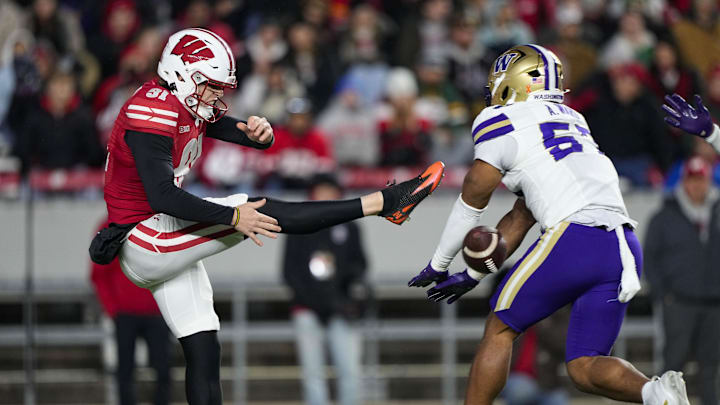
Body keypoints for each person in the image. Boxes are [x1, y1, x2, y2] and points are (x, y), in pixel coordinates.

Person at [88, 28, 445, 405]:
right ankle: (383, 203)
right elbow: (163, 196)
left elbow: (219, 125)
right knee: (255, 207)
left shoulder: (180, 102)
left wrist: (258, 134)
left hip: (159, 236)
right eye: (211, 85)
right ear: (182, 74)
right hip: (145, 239)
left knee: (204, 350)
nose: (218, 95)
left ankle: (384, 204)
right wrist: (231, 217)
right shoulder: (152, 110)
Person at [406, 44, 689, 405]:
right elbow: (522, 215)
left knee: (499, 328)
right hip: (623, 245)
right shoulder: (574, 120)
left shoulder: (500, 121)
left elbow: (472, 199)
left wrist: (440, 264)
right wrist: (473, 274)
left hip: (575, 237)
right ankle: (656, 392)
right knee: (585, 367)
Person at [282, 174, 368, 405]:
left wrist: (345, 298)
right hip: (307, 309)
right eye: (321, 191)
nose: (325, 196)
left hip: (342, 309)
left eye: (330, 191)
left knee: (350, 372)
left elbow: (359, 266)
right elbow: (290, 272)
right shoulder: (297, 225)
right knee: (313, 375)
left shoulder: (350, 228)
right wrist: (317, 302)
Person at [644, 156, 720, 405]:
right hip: (679, 301)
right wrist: (663, 294)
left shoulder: (717, 211)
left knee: (711, 367)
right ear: (684, 181)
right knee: (672, 367)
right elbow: (650, 256)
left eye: (703, 180)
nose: (698, 186)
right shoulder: (665, 215)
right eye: (693, 180)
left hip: (714, 302)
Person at [91, 219, 171, 405]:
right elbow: (99, 274)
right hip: (126, 313)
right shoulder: (109, 227)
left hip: (156, 312)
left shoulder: (160, 222)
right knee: (125, 372)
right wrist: (113, 308)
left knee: (163, 370)